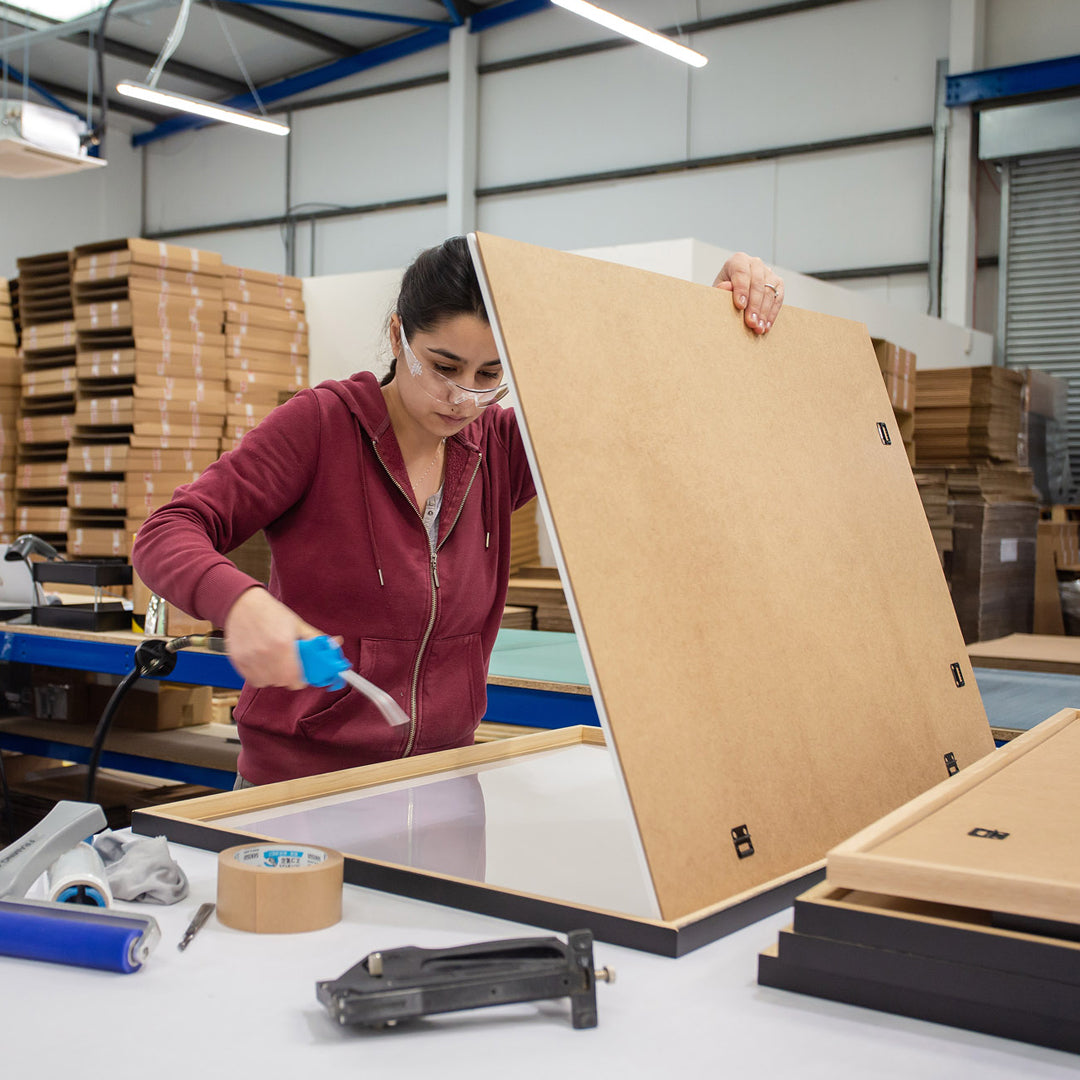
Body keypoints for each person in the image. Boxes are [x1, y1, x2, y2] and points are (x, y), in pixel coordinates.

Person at [131, 240, 785, 786]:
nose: (462, 397)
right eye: (443, 366)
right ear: (398, 335)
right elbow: (167, 532)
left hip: (444, 781)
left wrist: (709, 312)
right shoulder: (320, 427)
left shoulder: (498, 451)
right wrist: (241, 604)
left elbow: (634, 405)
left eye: (488, 375)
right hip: (303, 786)